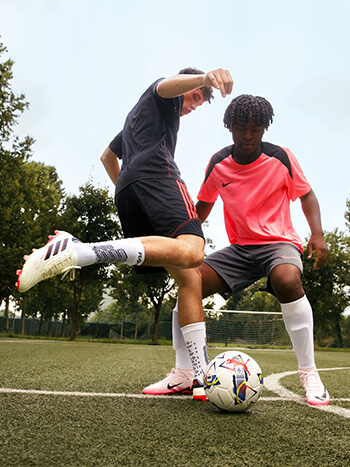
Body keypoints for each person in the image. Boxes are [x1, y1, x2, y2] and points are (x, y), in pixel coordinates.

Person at [16, 67, 233, 401]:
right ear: (184, 87)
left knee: (190, 279)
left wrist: (130, 188)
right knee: (193, 251)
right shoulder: (163, 97)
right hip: (159, 176)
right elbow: (164, 87)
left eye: (201, 102)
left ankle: (191, 374)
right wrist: (204, 78)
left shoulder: (135, 122)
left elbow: (107, 157)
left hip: (130, 190)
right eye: (195, 97)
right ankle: (80, 250)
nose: (194, 104)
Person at [142, 94, 330, 407]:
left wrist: (318, 234)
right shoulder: (218, 163)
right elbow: (201, 207)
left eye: (255, 128)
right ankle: (185, 373)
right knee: (190, 281)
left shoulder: (281, 157)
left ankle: (309, 373)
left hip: (278, 244)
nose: (247, 135)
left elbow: (306, 195)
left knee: (286, 280)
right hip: (240, 249)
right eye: (241, 127)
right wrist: (176, 240)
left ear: (264, 129)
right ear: (229, 126)